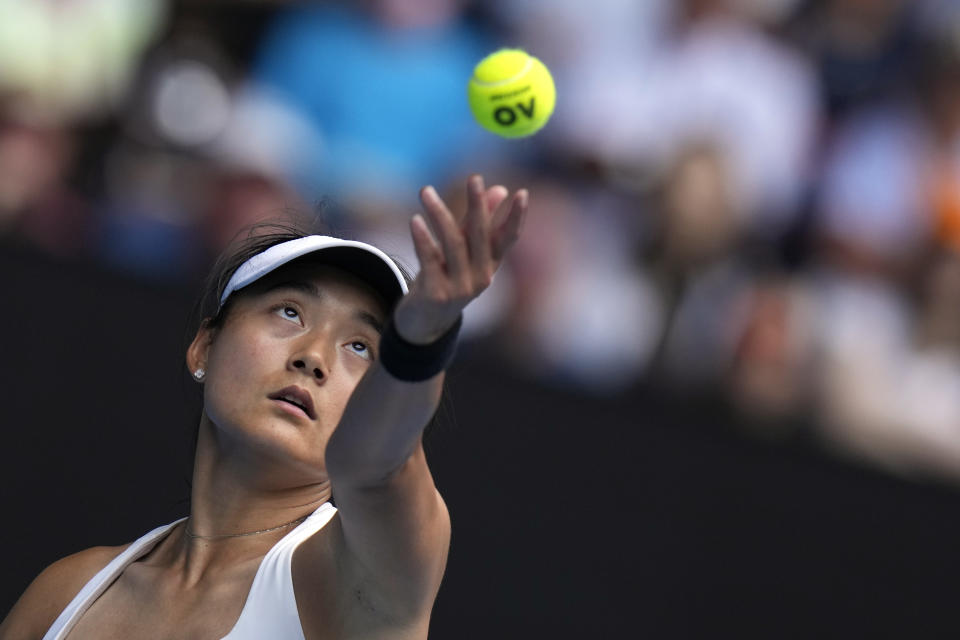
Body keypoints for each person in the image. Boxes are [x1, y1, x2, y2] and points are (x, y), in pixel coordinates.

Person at [0, 174, 528, 640]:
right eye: (290, 312)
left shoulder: (358, 581)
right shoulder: (63, 595)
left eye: (361, 347)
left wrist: (420, 338)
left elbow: (374, 465)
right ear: (204, 346)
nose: (314, 357)